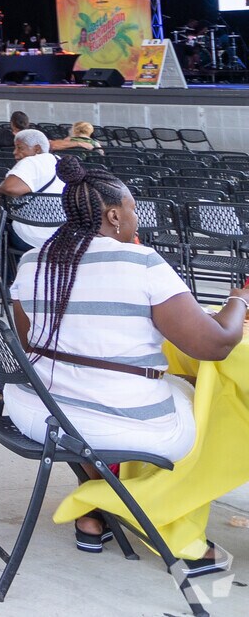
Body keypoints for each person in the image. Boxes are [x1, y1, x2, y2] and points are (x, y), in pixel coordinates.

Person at [13, 158, 246, 566]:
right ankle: (169, 528)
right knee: (220, 404)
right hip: (107, 421)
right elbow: (216, 345)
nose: (136, 218)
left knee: (154, 386)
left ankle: (95, 511)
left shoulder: (33, 260)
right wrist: (238, 300)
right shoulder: (141, 262)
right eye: (133, 209)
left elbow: (27, 340)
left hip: (37, 414)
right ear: (114, 215)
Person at [0, 129, 62, 249]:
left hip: (29, 238)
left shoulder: (31, 161)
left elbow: (10, 188)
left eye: (20, 148)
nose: (14, 152)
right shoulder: (60, 161)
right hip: (62, 238)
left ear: (37, 149)